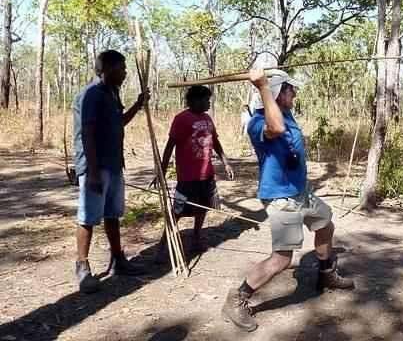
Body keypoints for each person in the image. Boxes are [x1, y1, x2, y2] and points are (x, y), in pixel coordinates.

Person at [222, 68, 354, 332]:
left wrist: (269, 84)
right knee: (282, 259)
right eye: (290, 89)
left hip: (301, 192)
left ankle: (326, 274)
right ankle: (237, 298)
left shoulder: (287, 111)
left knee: (325, 225)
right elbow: (276, 127)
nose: (295, 92)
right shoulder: (258, 123)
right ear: (278, 93)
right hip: (282, 198)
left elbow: (284, 123)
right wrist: (262, 86)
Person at [73, 50, 149, 294]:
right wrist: (93, 172)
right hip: (96, 166)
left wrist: (138, 105)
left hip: (114, 164)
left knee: (112, 214)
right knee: (88, 217)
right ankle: (82, 267)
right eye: (122, 68)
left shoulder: (112, 93)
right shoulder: (92, 95)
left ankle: (118, 260)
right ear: (108, 69)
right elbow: (87, 133)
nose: (125, 72)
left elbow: (118, 122)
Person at [156, 85, 234, 258]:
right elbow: (170, 145)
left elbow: (215, 142)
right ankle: (163, 245)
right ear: (194, 101)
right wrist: (161, 169)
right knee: (177, 211)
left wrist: (226, 163)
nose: (208, 103)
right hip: (188, 176)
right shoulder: (182, 119)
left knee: (203, 207)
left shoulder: (207, 118)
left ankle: (196, 237)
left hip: (207, 174)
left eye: (208, 99)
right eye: (205, 99)